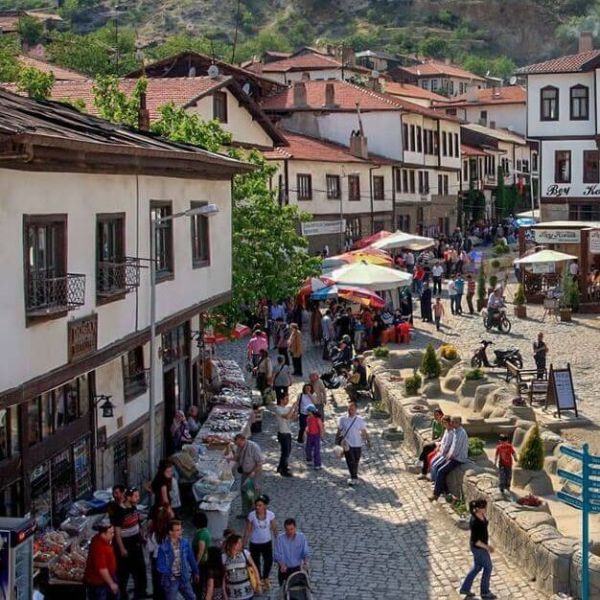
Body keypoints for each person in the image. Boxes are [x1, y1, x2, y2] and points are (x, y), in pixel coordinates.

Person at [112, 487, 147, 599]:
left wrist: (142, 535)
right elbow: (117, 533)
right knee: (123, 572)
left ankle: (140, 593)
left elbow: (137, 522)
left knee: (140, 569)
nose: (138, 498)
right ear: (128, 497)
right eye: (136, 496)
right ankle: (122, 595)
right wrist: (122, 548)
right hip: (126, 544)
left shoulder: (133, 507)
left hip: (136, 542)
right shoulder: (119, 511)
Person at [459, 499, 497, 599]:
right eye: (484, 507)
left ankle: (465, 588)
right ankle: (485, 592)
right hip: (479, 548)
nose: (486, 509)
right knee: (488, 567)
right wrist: (488, 547)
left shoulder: (480, 515)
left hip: (480, 547)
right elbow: (476, 541)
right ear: (479, 509)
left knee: (477, 567)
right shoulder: (475, 522)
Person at [156, 520, 199, 600]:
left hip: (184, 577)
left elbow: (191, 558)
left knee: (192, 597)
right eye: (177, 530)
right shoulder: (163, 548)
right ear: (170, 532)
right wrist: (169, 572)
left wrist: (196, 571)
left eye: (180, 529)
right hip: (172, 580)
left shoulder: (185, 543)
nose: (180, 532)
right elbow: (159, 566)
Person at [243, 495, 278, 591]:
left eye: (260, 505)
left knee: (268, 561)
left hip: (267, 542)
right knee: (256, 562)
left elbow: (274, 527)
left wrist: (277, 539)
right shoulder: (252, 515)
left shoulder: (270, 514)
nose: (257, 507)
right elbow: (248, 530)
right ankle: (259, 580)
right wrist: (244, 542)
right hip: (255, 543)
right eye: (256, 505)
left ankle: (265, 577)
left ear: (265, 506)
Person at [430, 416, 469, 501]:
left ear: (459, 423)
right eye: (452, 421)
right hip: (452, 456)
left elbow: (456, 449)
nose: (452, 423)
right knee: (439, 468)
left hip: (458, 458)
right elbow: (452, 446)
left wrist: (448, 457)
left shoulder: (461, 433)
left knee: (441, 470)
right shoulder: (455, 431)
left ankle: (436, 494)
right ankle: (444, 491)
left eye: (454, 422)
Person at [337, 401, 370, 486]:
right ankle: (353, 477)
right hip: (347, 443)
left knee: (356, 460)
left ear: (356, 410)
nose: (350, 410)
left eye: (352, 409)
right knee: (350, 460)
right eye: (349, 409)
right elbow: (339, 430)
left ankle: (354, 475)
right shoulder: (343, 419)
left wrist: (368, 441)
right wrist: (337, 441)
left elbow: (363, 431)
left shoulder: (360, 420)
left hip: (358, 443)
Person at [83, 522, 119, 599]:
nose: (113, 535)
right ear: (103, 534)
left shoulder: (99, 539)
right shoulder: (100, 548)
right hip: (99, 583)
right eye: (111, 533)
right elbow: (102, 569)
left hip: (107, 579)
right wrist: (111, 583)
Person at [231, 433, 264, 517]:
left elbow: (260, 463)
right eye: (237, 444)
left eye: (239, 444)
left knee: (254, 493)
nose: (238, 446)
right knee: (245, 491)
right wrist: (231, 457)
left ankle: (256, 513)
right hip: (245, 473)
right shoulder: (239, 446)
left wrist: (253, 472)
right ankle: (245, 512)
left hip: (255, 474)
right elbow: (238, 457)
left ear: (244, 440)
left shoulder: (254, 447)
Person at [222, 533, 261, 599]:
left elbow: (254, 568)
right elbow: (223, 577)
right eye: (238, 543)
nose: (241, 545)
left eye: (241, 543)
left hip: (248, 593)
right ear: (232, 544)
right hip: (232, 595)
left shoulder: (245, 553)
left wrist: (258, 584)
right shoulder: (224, 557)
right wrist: (225, 593)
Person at [273, 519, 310, 587]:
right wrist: (282, 565)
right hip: (285, 569)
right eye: (287, 529)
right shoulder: (280, 539)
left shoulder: (301, 537)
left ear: (295, 528)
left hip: (298, 569)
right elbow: (277, 555)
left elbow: (305, 552)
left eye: (291, 529)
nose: (289, 532)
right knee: (284, 591)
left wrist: (306, 562)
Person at [147, 506, 171, 600]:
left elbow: (150, 548)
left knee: (157, 584)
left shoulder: (153, 532)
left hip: (156, 559)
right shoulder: (169, 533)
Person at [417, 408, 444, 480]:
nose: (435, 416)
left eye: (437, 415)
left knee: (426, 447)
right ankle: (423, 473)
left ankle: (419, 462)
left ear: (441, 415)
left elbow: (441, 437)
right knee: (427, 452)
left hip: (440, 443)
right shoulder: (435, 422)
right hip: (436, 442)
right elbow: (433, 434)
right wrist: (432, 441)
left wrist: (432, 442)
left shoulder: (443, 424)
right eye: (434, 415)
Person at [273, 394, 296, 477]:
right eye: (286, 399)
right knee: (285, 452)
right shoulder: (277, 409)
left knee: (288, 451)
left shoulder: (286, 408)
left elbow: (292, 417)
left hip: (288, 432)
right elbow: (286, 417)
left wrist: (295, 409)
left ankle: (280, 466)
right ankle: (283, 469)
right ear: (281, 400)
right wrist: (293, 407)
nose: (287, 400)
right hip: (282, 433)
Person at [192, 511, 211, 593]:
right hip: (203, 561)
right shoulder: (204, 532)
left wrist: (195, 565)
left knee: (198, 585)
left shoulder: (201, 534)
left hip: (201, 563)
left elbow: (201, 551)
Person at [305, 405, 325, 469]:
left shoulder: (317, 419)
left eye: (308, 411)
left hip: (316, 436)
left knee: (316, 450)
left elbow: (321, 428)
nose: (307, 412)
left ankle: (317, 464)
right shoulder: (308, 418)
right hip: (309, 435)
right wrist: (306, 431)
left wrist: (321, 436)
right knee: (308, 448)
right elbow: (308, 425)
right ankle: (309, 460)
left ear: (311, 411)